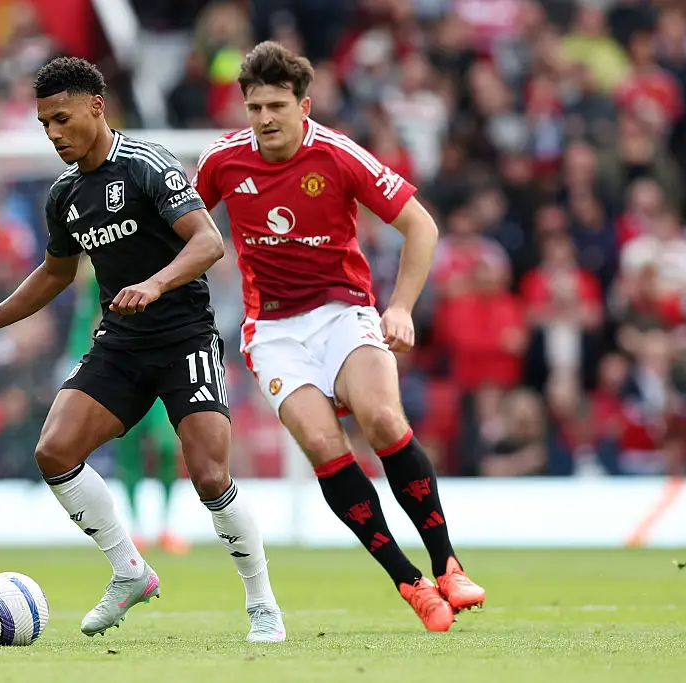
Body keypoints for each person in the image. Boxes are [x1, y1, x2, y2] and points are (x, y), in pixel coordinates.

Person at [0, 57, 285, 642]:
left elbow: (208, 242)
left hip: (182, 337)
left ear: (96, 106)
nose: (54, 134)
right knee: (54, 451)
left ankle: (262, 603)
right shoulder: (65, 194)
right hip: (121, 344)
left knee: (210, 475)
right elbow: (54, 273)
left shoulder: (147, 167)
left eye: (62, 118)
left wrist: (156, 282)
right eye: (45, 124)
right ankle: (129, 571)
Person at [192, 41, 486, 632]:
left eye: (277, 105)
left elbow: (420, 226)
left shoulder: (337, 154)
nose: (265, 119)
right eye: (254, 107)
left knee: (380, 417)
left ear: (305, 105)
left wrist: (401, 307)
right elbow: (181, 231)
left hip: (343, 311)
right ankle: (411, 584)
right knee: (327, 447)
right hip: (272, 330)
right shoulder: (221, 162)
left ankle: (448, 565)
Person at [64, 262, 190, 554]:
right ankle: (136, 528)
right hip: (120, 366)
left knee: (166, 447)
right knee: (129, 449)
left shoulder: (162, 255)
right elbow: (87, 317)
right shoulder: (97, 270)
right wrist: (80, 360)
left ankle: (166, 525)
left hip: (161, 363)